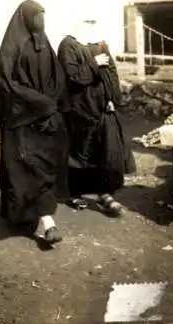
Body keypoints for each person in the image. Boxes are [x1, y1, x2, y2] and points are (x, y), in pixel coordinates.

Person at [0, 0, 68, 245]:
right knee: (25, 170)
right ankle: (43, 222)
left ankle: (45, 218)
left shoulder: (45, 43)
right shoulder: (12, 47)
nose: (40, 21)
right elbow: (9, 84)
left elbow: (58, 76)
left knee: (44, 168)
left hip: (45, 117)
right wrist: (39, 102)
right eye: (36, 16)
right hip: (21, 118)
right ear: (25, 18)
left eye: (43, 16)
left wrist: (52, 103)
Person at [57, 19, 136, 216]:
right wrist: (94, 63)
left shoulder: (100, 43)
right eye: (86, 22)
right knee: (80, 151)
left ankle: (103, 193)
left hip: (102, 106)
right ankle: (74, 192)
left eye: (92, 22)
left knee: (105, 150)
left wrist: (112, 98)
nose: (90, 26)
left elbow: (111, 72)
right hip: (80, 106)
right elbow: (73, 76)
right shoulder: (68, 44)